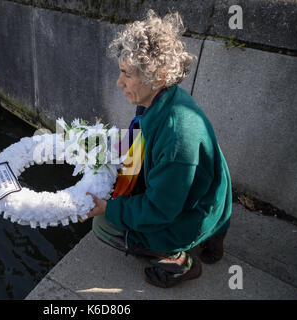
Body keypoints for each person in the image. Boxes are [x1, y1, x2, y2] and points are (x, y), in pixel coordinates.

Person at [84, 10, 232, 288]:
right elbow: (139, 139)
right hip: (209, 195)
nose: (119, 82)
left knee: (102, 227)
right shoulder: (162, 97)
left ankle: (179, 261)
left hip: (193, 212)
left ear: (158, 77)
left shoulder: (178, 136)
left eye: (126, 74)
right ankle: (214, 237)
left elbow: (159, 209)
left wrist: (108, 208)